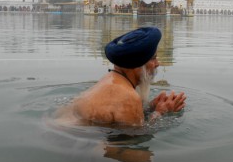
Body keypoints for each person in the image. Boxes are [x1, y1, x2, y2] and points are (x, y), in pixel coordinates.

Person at [54, 26, 186, 126]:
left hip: (58, 128)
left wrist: (151, 108)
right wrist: (161, 112)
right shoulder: (128, 97)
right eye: (153, 58)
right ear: (137, 64)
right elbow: (134, 138)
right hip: (71, 144)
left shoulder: (110, 79)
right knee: (143, 159)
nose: (158, 64)